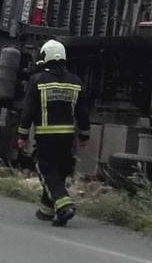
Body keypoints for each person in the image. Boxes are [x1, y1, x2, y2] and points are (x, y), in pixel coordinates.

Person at [18, 39, 90, 227]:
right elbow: (83, 112)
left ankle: (65, 205)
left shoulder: (37, 81)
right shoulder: (76, 82)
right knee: (58, 172)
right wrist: (84, 135)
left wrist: (22, 135)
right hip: (68, 139)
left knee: (47, 172)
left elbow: (28, 112)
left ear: (46, 57)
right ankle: (46, 211)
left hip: (46, 137)